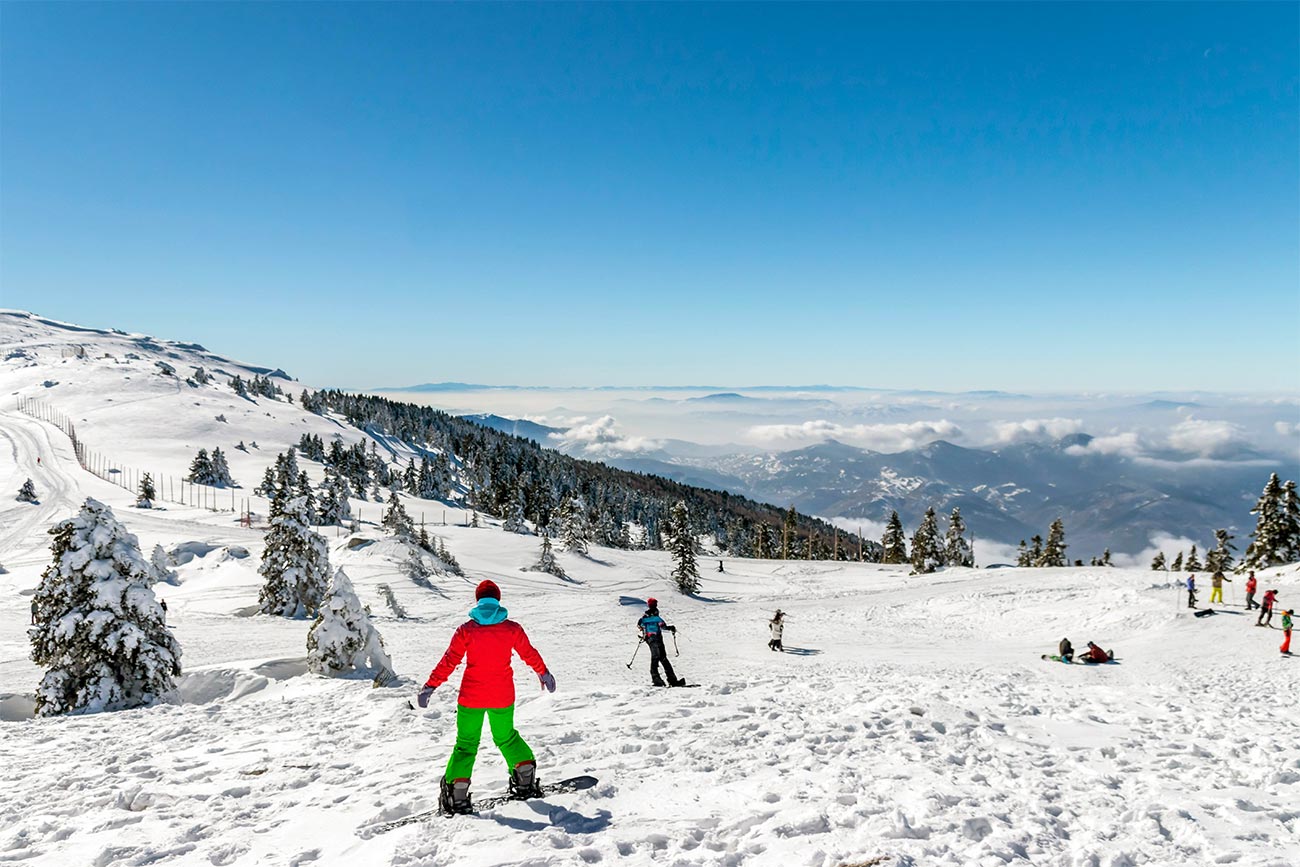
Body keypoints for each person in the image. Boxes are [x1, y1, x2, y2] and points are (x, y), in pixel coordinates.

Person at [417, 580, 556, 815]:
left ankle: (457, 796)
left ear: (477, 600)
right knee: (507, 737)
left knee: (466, 745)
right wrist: (543, 672)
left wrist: (431, 686)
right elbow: (529, 653)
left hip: (471, 697)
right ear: (498, 600)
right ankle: (525, 780)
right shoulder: (512, 629)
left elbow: (449, 661)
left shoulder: (466, 630)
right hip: (502, 695)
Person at [637, 597, 685, 687]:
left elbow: (640, 624)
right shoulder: (655, 615)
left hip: (650, 638)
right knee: (661, 658)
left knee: (657, 658)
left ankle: (658, 679)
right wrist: (671, 628)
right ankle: (669, 680)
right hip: (656, 639)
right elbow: (663, 626)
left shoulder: (645, 616)